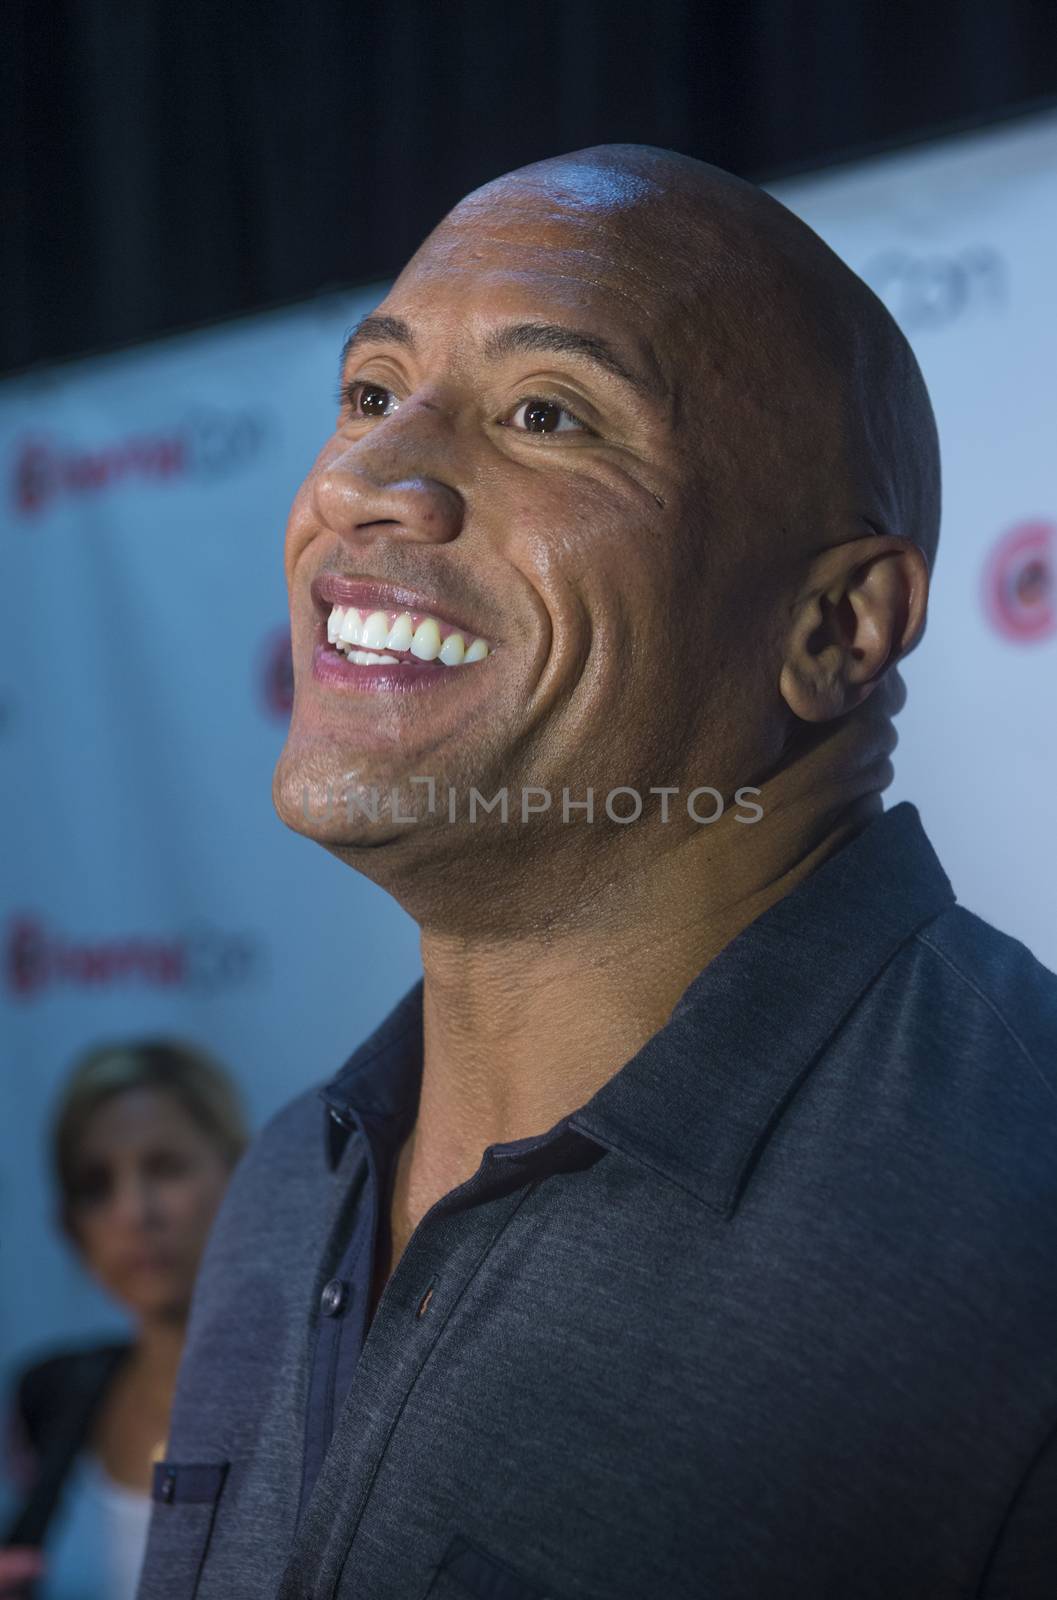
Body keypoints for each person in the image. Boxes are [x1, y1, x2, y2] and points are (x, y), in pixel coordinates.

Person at [137, 145, 1057, 1599]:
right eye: (371, 395)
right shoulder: (284, 1189)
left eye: (547, 414)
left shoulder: (1027, 1214)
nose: (367, 482)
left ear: (838, 628)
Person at [2, 1040, 247, 1599]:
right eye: (96, 1186)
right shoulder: (51, 1396)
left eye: (165, 1168)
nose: (134, 1211)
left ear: (241, 1176)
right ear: (70, 1226)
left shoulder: (324, 1400)